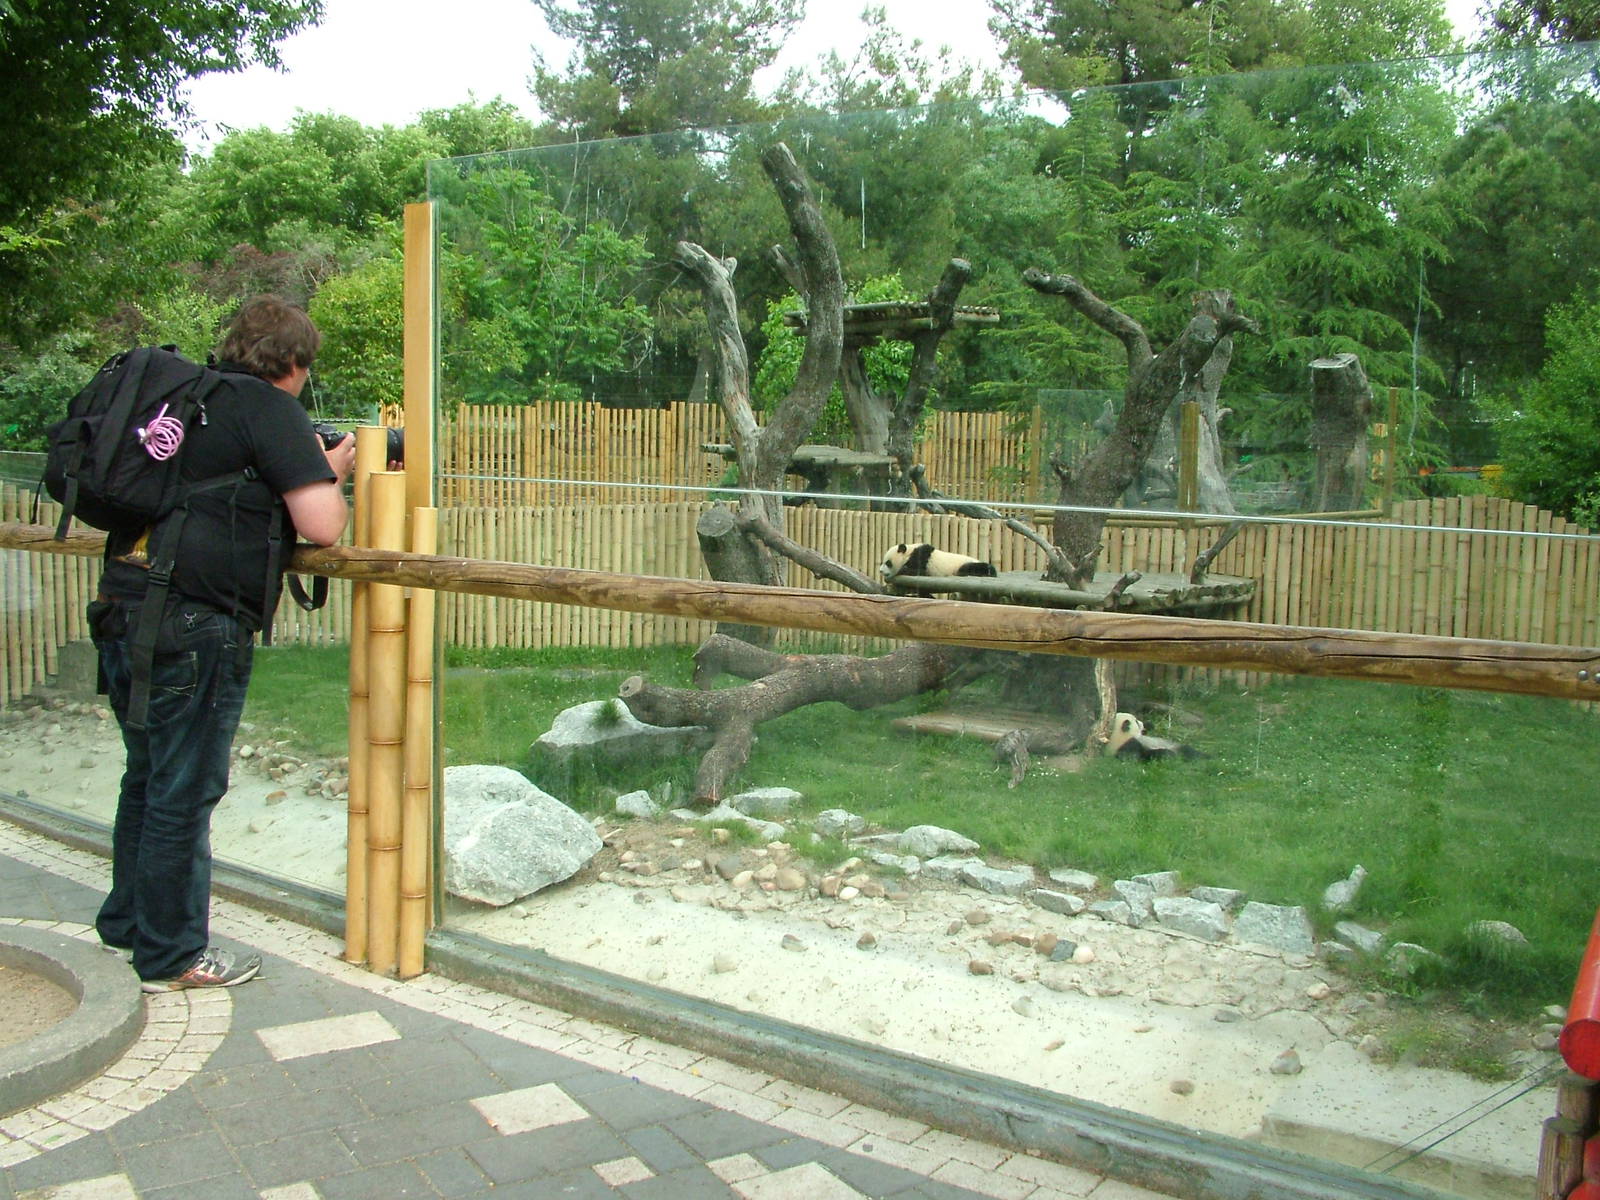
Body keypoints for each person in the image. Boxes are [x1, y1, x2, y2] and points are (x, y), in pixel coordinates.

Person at [90, 296, 355, 992]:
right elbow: (323, 524)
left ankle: (129, 925)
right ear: (294, 362)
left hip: (122, 605)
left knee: (146, 775)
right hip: (192, 624)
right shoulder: (268, 409)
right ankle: (173, 955)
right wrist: (334, 470)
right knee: (184, 788)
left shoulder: (189, 399)